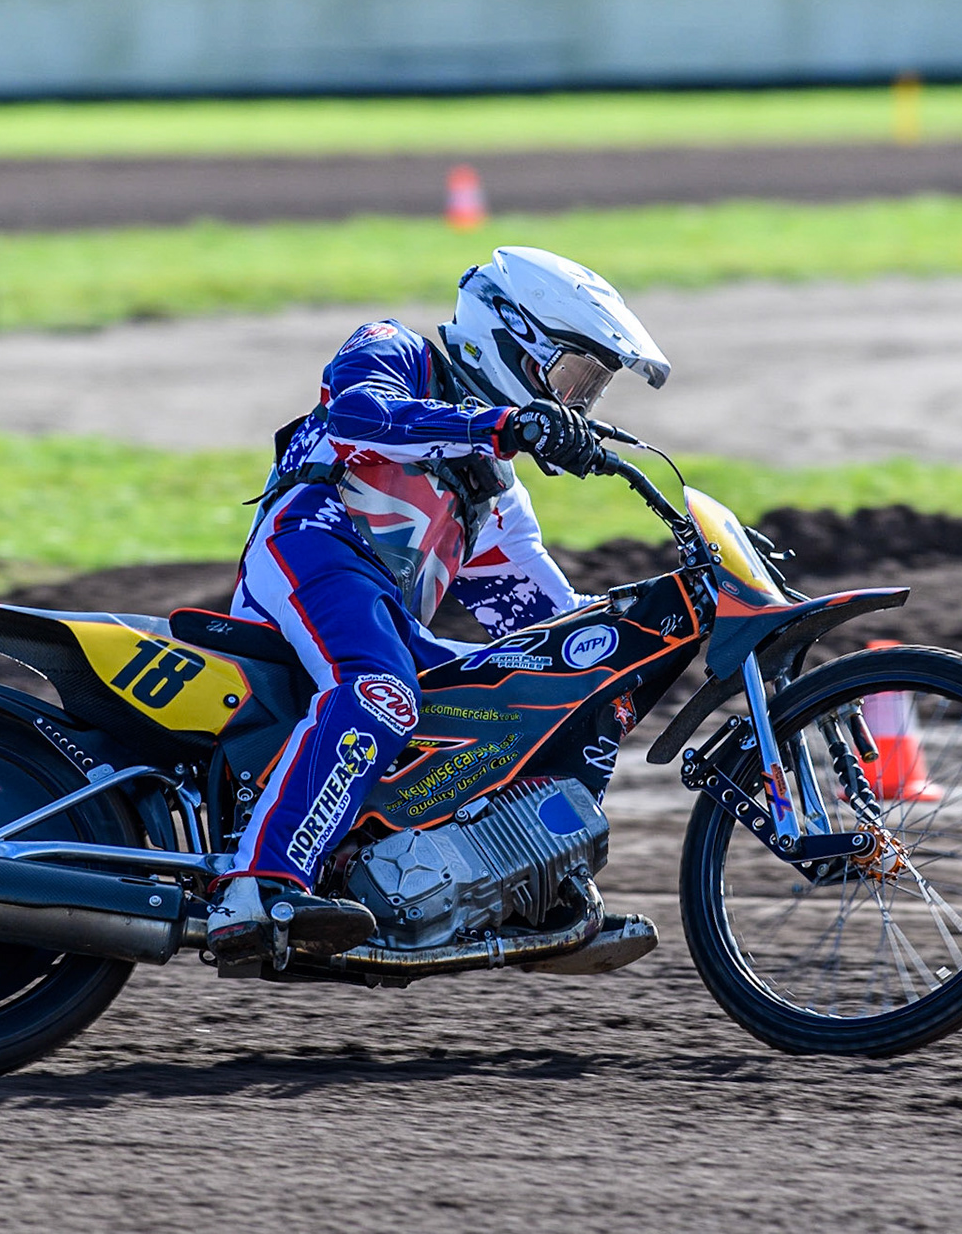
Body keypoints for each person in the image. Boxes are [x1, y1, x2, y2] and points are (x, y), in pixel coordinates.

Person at [206, 246, 672, 964]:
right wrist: (501, 426)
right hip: (309, 547)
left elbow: (549, 622)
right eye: (574, 377)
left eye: (592, 391)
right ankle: (256, 885)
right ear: (512, 335)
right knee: (381, 691)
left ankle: (536, 890)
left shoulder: (493, 498)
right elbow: (362, 417)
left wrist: (640, 644)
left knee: (562, 689)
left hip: (379, 616)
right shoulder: (394, 350)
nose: (575, 406)